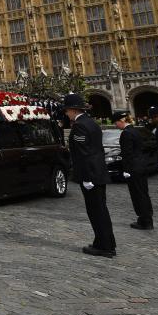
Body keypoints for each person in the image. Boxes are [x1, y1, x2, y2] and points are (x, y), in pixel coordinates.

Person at [64, 92, 115, 257]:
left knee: (96, 211)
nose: (66, 113)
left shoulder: (80, 126)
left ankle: (104, 246)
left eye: (67, 110)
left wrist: (87, 177)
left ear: (73, 110)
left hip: (91, 175)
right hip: (98, 173)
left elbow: (84, 154)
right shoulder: (91, 123)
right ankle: (105, 242)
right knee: (101, 210)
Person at [113, 111, 153, 230]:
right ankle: (146, 218)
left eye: (116, 123)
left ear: (121, 121)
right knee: (143, 193)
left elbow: (127, 153)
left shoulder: (126, 134)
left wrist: (126, 169)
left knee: (137, 195)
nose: (116, 125)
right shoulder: (135, 131)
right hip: (141, 166)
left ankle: (144, 220)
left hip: (133, 168)